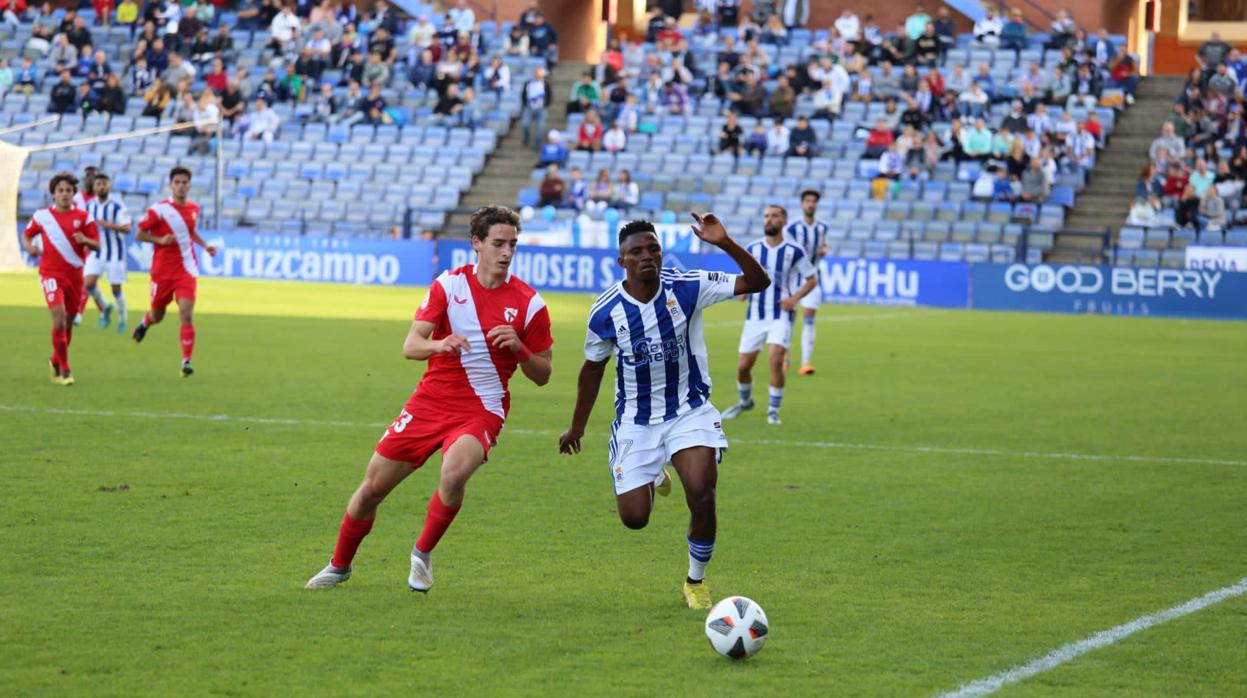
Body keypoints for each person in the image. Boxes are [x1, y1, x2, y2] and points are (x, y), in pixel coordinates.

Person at [307, 206, 553, 592]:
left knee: (454, 474)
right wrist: (441, 344)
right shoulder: (449, 286)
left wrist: (520, 349)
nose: (507, 252)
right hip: (430, 402)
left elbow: (544, 374)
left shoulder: (529, 304)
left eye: (513, 245)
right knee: (372, 489)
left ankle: (422, 554)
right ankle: (339, 565)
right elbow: (411, 346)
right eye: (498, 244)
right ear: (477, 244)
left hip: (482, 408)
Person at [558, 215, 768, 609]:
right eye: (636, 251)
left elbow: (758, 282)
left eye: (652, 248)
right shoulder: (605, 312)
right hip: (637, 421)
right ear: (622, 261)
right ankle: (655, 473)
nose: (646, 256)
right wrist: (577, 427)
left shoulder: (687, 286)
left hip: (689, 411)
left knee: (703, 492)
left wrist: (725, 242)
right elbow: (592, 371)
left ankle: (696, 581)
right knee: (635, 518)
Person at [721, 204, 816, 427]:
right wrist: (742, 293)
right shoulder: (752, 249)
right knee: (743, 367)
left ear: (783, 221)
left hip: (780, 315)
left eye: (774, 216)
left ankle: (773, 410)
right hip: (755, 316)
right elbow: (744, 276)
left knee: (775, 360)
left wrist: (794, 299)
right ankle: (745, 402)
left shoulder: (794, 250)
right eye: (766, 216)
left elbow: (811, 278)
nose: (769, 220)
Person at [131, 167, 218, 377]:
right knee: (157, 314)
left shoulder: (194, 208)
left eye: (184, 182)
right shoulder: (158, 210)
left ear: (189, 185)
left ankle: (186, 361)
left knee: (186, 313)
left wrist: (204, 245)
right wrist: (159, 240)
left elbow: (189, 232)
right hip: (162, 272)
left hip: (186, 269)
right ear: (171, 185)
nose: (181, 186)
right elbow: (140, 233)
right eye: (177, 182)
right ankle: (145, 322)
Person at [22, 172, 101, 386]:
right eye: (60, 191)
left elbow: (97, 244)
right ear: (53, 195)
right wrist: (29, 247)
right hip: (50, 273)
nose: (65, 194)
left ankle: (55, 360)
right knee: (58, 316)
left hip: (75, 276)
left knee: (68, 322)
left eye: (68, 190)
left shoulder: (84, 217)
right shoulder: (42, 216)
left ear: (74, 194)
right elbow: (27, 234)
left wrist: (84, 239)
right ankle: (65, 369)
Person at [783, 190, 827, 376]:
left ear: (817, 204)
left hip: (813, 278)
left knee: (809, 319)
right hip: (793, 279)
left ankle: (806, 363)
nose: (810, 204)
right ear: (802, 204)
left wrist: (824, 249)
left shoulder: (823, 227)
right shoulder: (792, 228)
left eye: (813, 201)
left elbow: (823, 244)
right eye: (807, 201)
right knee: (788, 320)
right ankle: (785, 356)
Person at [82, 173, 131, 332]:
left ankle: (123, 320)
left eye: (104, 184)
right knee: (88, 283)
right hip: (96, 251)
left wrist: (108, 225)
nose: (101, 187)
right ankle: (105, 307)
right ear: (94, 187)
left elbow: (127, 228)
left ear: (109, 186)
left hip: (115, 253)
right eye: (98, 184)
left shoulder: (117, 206)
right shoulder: (89, 206)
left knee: (116, 289)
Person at [520, 67, 550, 150]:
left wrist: (545, 104)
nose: (539, 76)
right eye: (537, 74)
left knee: (541, 127)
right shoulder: (528, 83)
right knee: (524, 124)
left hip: (541, 108)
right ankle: (526, 138)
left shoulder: (546, 84)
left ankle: (536, 145)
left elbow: (549, 96)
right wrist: (525, 104)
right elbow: (523, 94)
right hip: (529, 107)